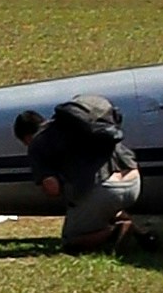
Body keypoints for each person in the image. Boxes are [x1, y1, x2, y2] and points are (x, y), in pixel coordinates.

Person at [14, 96, 146, 252]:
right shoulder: (78, 128)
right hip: (133, 180)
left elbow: (53, 189)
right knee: (104, 206)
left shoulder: (38, 143)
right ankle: (143, 234)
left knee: (71, 241)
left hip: (105, 189)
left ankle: (117, 231)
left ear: (27, 137)